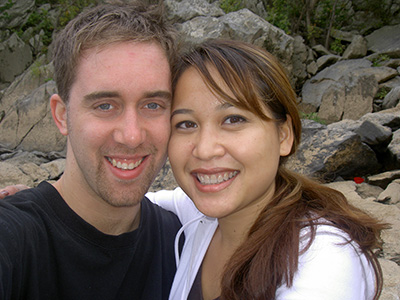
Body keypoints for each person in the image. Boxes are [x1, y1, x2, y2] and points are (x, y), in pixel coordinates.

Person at [146, 39, 388, 300]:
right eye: (185, 124)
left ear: (284, 135)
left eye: (233, 119)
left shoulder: (325, 258)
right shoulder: (196, 215)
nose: (204, 150)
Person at [0, 2, 183, 299]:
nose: (132, 136)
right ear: (62, 115)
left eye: (153, 105)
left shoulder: (181, 241)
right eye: (105, 105)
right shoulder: (15, 238)